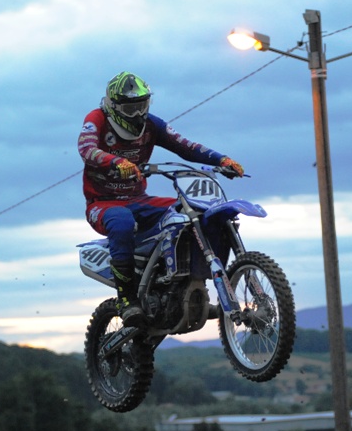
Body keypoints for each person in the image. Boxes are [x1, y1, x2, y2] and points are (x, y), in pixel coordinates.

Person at [78, 71, 244, 325]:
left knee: (193, 212)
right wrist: (115, 161)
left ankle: (188, 283)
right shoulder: (97, 118)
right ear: (113, 106)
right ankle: (127, 299)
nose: (137, 114)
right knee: (122, 222)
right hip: (102, 203)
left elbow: (185, 146)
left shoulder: (152, 125)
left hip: (139, 199)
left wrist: (221, 159)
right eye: (130, 108)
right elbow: (86, 148)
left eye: (142, 105)